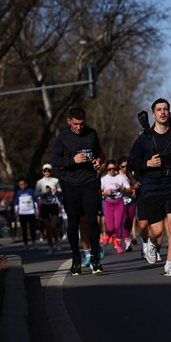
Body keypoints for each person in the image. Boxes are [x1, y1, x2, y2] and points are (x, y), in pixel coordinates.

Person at [128, 98, 171, 277]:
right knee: (157, 230)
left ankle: (169, 265)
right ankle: (150, 242)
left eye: (165, 109)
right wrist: (147, 163)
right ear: (153, 114)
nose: (162, 112)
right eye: (159, 109)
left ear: (169, 112)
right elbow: (132, 162)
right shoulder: (145, 138)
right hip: (152, 184)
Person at [51, 107, 104, 275]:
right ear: (69, 121)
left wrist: (98, 162)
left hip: (89, 182)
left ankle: (94, 258)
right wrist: (72, 160)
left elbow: (99, 154)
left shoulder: (92, 134)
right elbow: (55, 160)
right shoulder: (62, 137)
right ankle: (76, 258)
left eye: (81, 124)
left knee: (92, 221)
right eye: (75, 124)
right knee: (73, 223)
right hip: (70, 185)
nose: (79, 127)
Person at [100, 159, 131, 254]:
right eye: (109, 169)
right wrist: (105, 192)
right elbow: (99, 192)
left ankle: (118, 245)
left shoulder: (120, 178)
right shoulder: (103, 179)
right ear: (107, 169)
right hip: (108, 203)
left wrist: (121, 188)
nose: (111, 171)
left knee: (117, 226)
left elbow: (129, 189)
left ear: (116, 168)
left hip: (119, 203)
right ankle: (108, 235)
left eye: (113, 168)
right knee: (110, 227)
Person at [34, 163, 62, 255]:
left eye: (49, 170)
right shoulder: (39, 182)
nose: (47, 172)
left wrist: (56, 191)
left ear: (51, 171)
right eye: (45, 170)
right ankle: (50, 247)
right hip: (44, 205)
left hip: (54, 204)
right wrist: (43, 194)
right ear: (43, 172)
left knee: (53, 226)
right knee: (47, 228)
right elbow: (35, 194)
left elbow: (60, 190)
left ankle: (57, 241)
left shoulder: (55, 180)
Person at [118, 155, 138, 251]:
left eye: (126, 166)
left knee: (130, 220)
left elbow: (136, 184)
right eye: (123, 166)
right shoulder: (117, 175)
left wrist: (134, 189)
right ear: (119, 166)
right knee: (125, 220)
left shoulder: (130, 174)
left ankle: (128, 236)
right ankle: (127, 242)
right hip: (120, 200)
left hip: (131, 200)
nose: (125, 168)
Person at [14, 179, 38, 251]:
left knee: (32, 228)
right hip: (22, 213)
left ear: (26, 184)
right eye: (20, 185)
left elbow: (35, 200)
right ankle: (25, 244)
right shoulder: (18, 192)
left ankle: (34, 243)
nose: (21, 186)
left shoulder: (30, 191)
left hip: (31, 212)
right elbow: (16, 203)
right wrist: (16, 212)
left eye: (22, 184)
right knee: (24, 229)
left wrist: (37, 209)